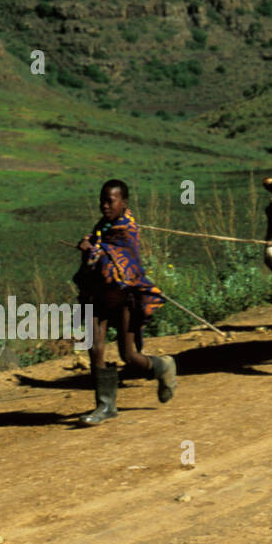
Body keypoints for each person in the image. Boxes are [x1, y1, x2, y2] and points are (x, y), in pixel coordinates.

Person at [71, 179, 177, 426]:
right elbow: (98, 248)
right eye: (102, 201)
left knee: (129, 356)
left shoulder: (127, 228)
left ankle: (162, 366)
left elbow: (116, 259)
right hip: (98, 297)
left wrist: (92, 250)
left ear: (124, 202)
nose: (105, 206)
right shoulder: (103, 227)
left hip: (124, 298)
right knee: (95, 347)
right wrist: (91, 246)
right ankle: (105, 405)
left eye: (111, 201)